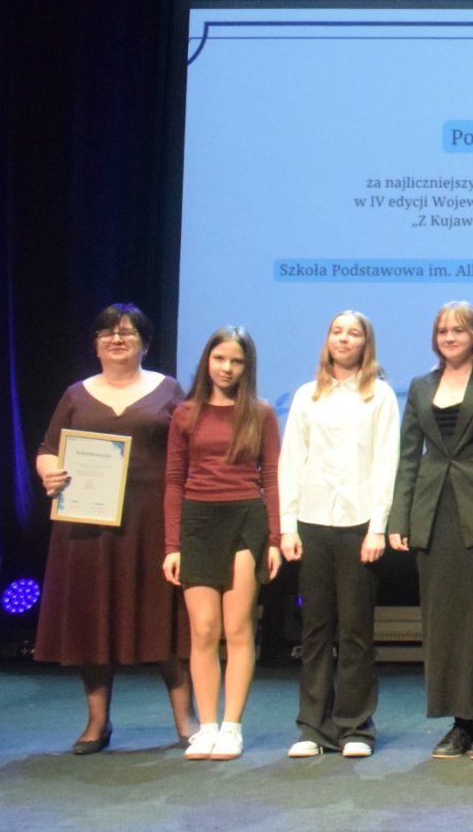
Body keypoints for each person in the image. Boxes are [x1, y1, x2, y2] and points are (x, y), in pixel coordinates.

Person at [34, 304, 193, 753]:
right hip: (88, 524)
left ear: (145, 343)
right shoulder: (76, 394)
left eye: (127, 333)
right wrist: (49, 473)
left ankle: (187, 721)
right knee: (94, 620)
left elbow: (190, 449)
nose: (117, 339)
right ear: (96, 344)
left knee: (165, 620)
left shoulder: (169, 390)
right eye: (107, 332)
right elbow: (47, 448)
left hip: (151, 523)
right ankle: (97, 723)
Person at [390, 302, 473, 760]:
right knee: (441, 623)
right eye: (442, 330)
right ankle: (458, 723)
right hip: (432, 514)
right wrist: (399, 519)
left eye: (458, 330)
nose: (449, 336)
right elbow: (408, 456)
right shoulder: (421, 386)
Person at [277, 311, 399, 759]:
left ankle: (355, 728)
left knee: (355, 631)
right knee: (315, 630)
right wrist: (287, 525)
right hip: (312, 523)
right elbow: (292, 462)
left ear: (366, 343)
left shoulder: (380, 395)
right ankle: (313, 727)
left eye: (354, 333)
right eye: (337, 331)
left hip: (360, 525)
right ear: (327, 339)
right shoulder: (307, 395)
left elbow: (386, 462)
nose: (344, 339)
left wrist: (378, 527)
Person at [164, 326, 282, 761]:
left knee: (237, 627)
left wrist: (274, 538)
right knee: (203, 629)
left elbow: (272, 477)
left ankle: (232, 727)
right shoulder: (185, 414)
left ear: (247, 367)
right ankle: (207, 727)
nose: (227, 368)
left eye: (236, 361)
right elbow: (173, 481)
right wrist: (171, 545)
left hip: (245, 519)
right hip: (197, 521)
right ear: (207, 362)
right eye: (220, 359)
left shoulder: (261, 413)